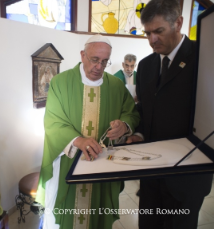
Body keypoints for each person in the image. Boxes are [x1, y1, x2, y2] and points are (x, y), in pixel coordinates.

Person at [35, 34, 140, 229]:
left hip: (102, 163)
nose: (99, 66)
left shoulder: (116, 86)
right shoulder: (60, 82)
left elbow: (132, 114)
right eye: (94, 60)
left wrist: (124, 126)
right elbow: (53, 122)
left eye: (104, 61)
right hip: (69, 162)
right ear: (83, 55)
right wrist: (78, 140)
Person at [126, 1, 213, 228]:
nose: (152, 40)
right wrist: (139, 133)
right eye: (148, 33)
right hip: (151, 175)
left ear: (178, 23)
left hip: (186, 178)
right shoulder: (145, 66)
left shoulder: (204, 58)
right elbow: (145, 110)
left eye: (158, 31)